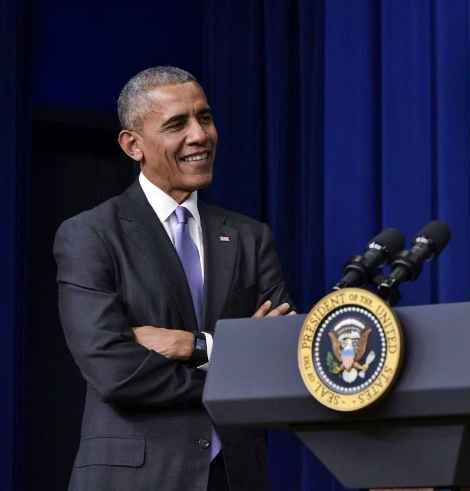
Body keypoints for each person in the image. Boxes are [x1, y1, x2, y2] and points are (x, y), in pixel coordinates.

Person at [54, 66, 293, 491]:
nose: (200, 135)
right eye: (176, 124)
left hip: (236, 478)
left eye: (205, 118)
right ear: (133, 145)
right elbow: (115, 371)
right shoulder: (90, 235)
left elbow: (280, 356)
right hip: (134, 479)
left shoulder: (250, 237)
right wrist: (232, 362)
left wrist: (191, 345)